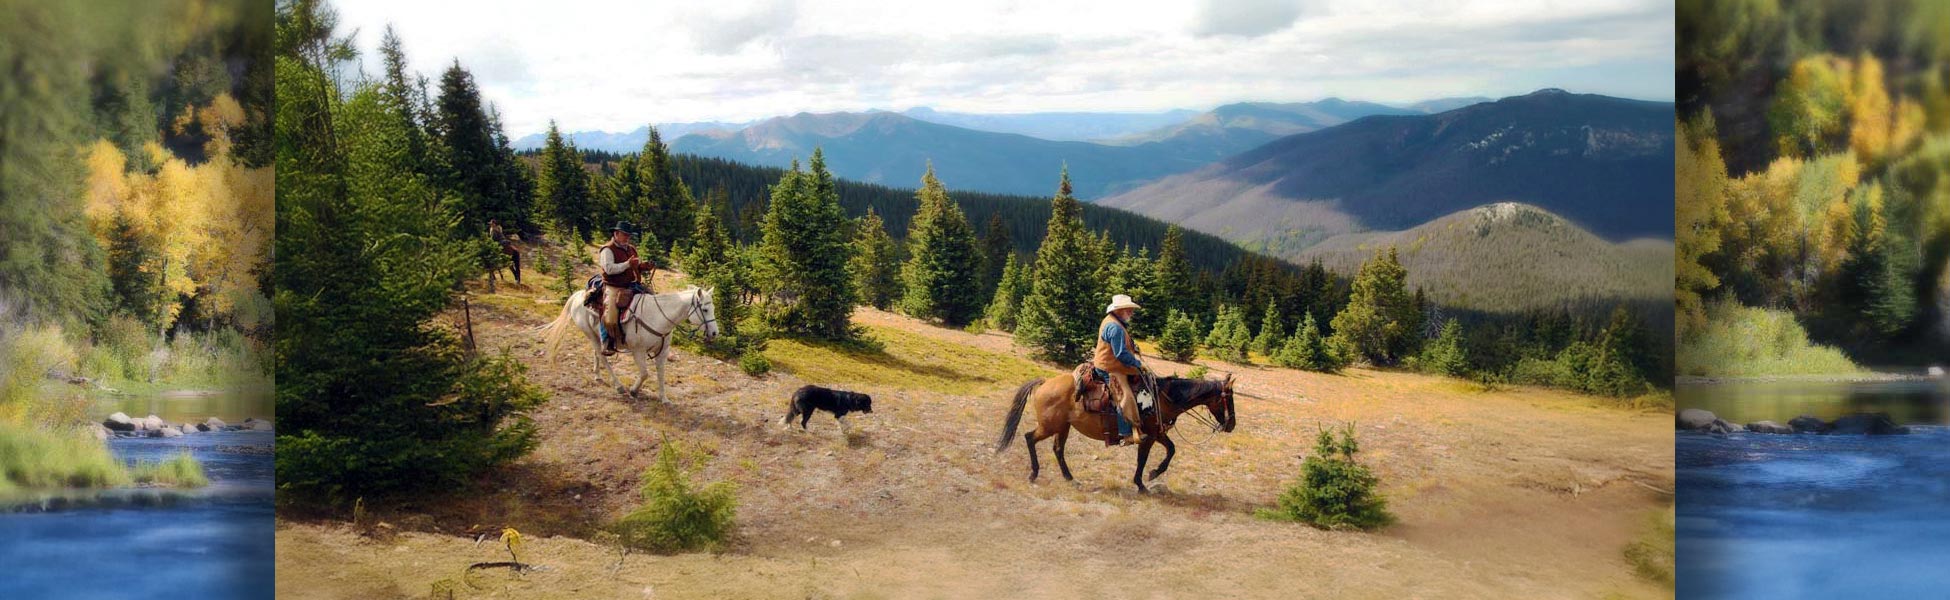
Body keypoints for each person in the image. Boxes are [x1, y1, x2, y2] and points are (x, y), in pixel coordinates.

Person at [1092, 294, 1147, 446]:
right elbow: (1120, 354)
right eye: (1128, 309)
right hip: (1109, 367)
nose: (1131, 312)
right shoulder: (1115, 327)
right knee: (1125, 395)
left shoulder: (1115, 321)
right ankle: (1126, 434)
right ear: (1120, 310)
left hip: (1113, 363)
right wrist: (1137, 363)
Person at [597, 221, 653, 356]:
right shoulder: (607, 249)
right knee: (610, 315)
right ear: (616, 234)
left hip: (631, 284)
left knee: (653, 300)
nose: (627, 238)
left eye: (629, 235)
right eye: (625, 235)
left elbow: (635, 266)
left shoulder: (631, 249)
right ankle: (607, 341)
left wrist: (643, 267)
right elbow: (609, 269)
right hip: (614, 286)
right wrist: (627, 264)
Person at [489, 218, 521, 284]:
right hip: (504, 241)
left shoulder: (494, 230)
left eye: (492, 224)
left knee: (491, 254)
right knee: (514, 265)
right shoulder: (499, 229)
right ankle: (517, 278)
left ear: (494, 224)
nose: (491, 225)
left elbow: (493, 239)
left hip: (499, 242)